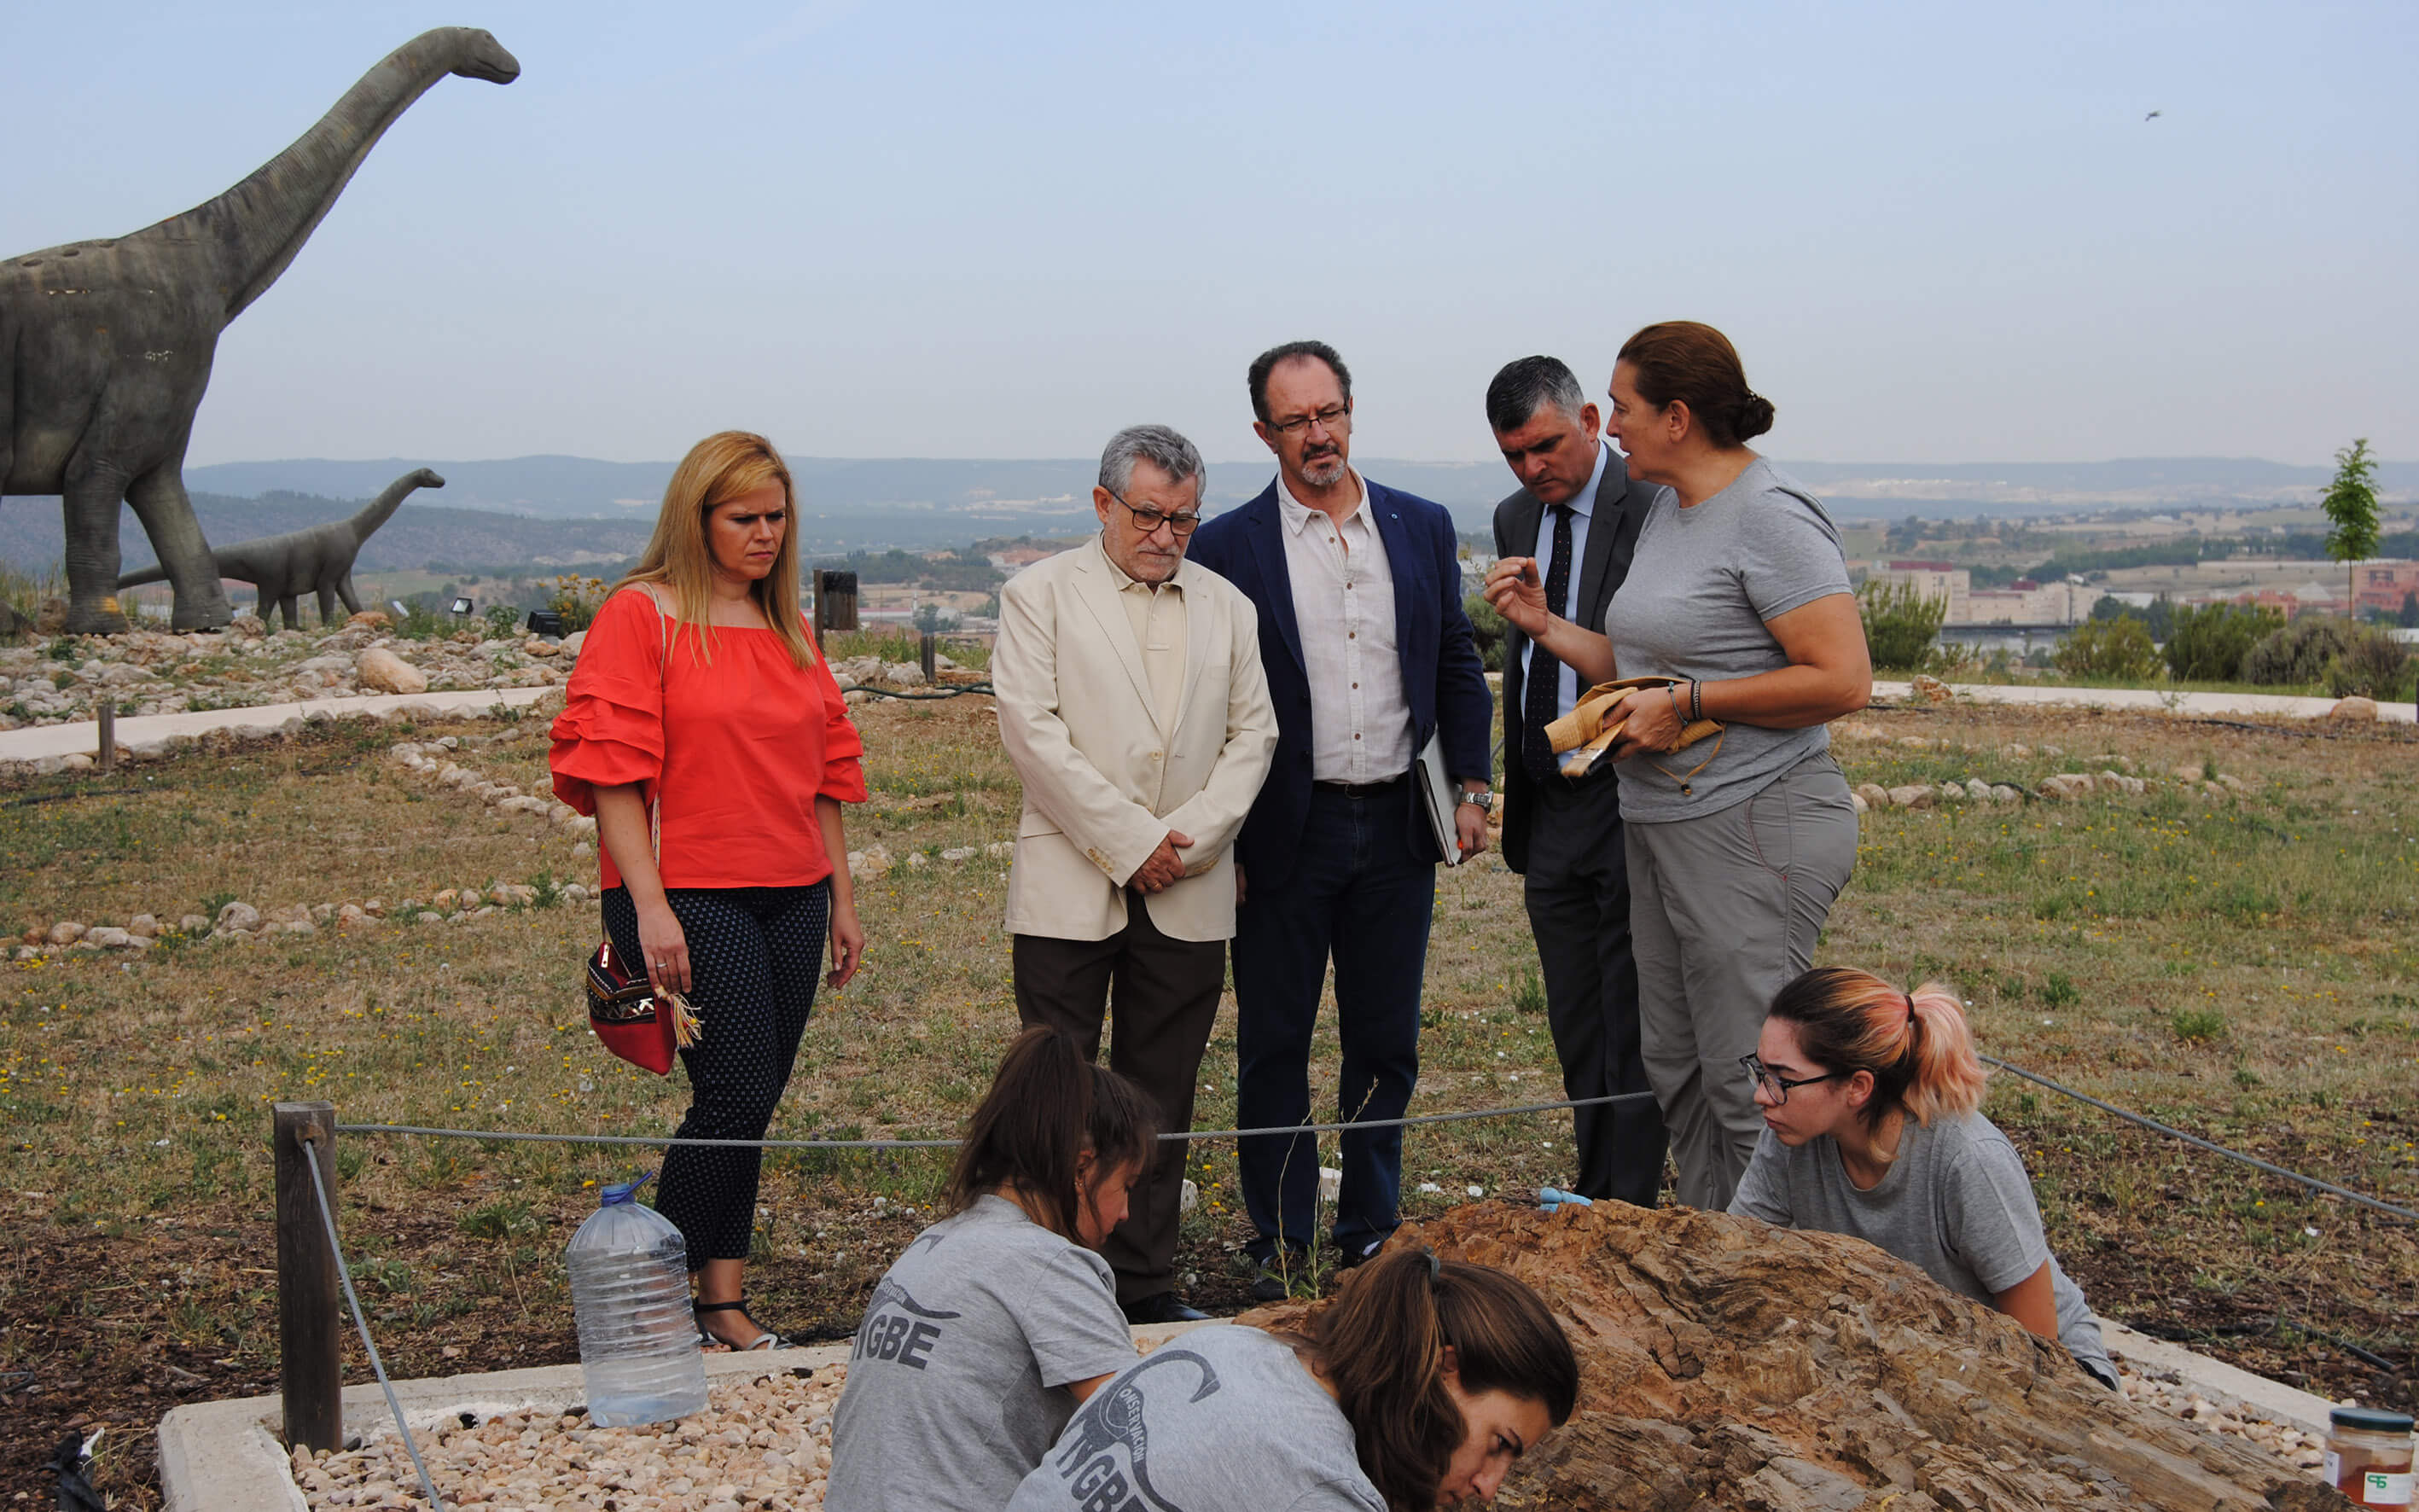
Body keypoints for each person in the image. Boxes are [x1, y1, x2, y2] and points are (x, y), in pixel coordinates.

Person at [1482, 321, 1869, 1213]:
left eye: (1621, 408)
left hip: (1753, 824)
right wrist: (1543, 625)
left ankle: (1776, 1265)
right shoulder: (1669, 509)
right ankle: (1707, 1250)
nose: (1611, 425)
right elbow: (1637, 662)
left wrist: (1692, 703)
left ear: (1678, 417)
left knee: (1749, 1076)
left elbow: (1843, 679)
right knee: (1676, 1067)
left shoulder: (1771, 514)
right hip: (1661, 825)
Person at [1188, 340, 1496, 1299]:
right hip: (1286, 828)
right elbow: (1206, 697)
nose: (1317, 434)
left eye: (1328, 413)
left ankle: (1370, 1229)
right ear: (1264, 433)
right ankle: (1281, 1240)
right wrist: (1225, 837)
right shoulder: (1227, 545)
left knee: (1385, 1039)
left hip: (1399, 823)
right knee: (1274, 1040)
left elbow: (1454, 655)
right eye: (1295, 421)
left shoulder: (1421, 523)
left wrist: (1473, 786)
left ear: (1350, 410)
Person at [549, 429, 866, 1351]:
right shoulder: (640, 614)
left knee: (753, 1102)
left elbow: (825, 773)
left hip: (795, 890)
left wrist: (843, 900)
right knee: (732, 1092)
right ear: (697, 519)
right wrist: (647, 908)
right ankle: (644, 1294)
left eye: (777, 517)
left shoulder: (787, 624)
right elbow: (610, 774)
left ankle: (720, 1302)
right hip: (686, 891)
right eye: (743, 518)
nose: (766, 535)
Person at [992, 423, 1279, 1325]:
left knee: (1163, 1092)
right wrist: (1129, 843)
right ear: (1103, 503)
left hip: (1188, 887)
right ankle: (1047, 1280)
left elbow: (1254, 736)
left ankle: (1145, 1285)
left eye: (1183, 519)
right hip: (1069, 886)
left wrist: (1183, 845)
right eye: (1149, 515)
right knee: (1056, 1090)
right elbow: (1032, 734)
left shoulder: (1230, 606)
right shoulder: (1038, 594)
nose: (1166, 534)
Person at [1729, 967, 2120, 1388]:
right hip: (1903, 1361)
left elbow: (2038, 1345)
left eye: (1783, 1079)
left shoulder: (1970, 1161)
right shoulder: (1789, 1134)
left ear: (1858, 1087)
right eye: (1760, 1071)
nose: (1762, 1095)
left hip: (2049, 1377)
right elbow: (1732, 1258)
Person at [827, 1026, 1160, 1511]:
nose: (1126, 1212)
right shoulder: (1049, 1264)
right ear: (1081, 1168)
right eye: (1126, 1185)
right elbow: (1143, 1434)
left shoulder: (932, 1244)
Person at [1485, 356, 1667, 1210]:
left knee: (1632, 1011)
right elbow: (1525, 653)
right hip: (1546, 796)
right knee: (1575, 1013)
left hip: (1627, 785)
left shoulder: (1656, 504)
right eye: (1513, 454)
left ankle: (1629, 1202)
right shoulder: (1514, 514)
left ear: (1591, 421)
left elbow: (1656, 659)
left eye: (1546, 446)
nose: (1532, 468)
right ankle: (1596, 1191)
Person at [1007, 1247, 1579, 1512]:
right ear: (1443, 1369)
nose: (1489, 1487)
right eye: (1499, 1445)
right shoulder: (1320, 1488)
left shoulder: (1226, 1345)